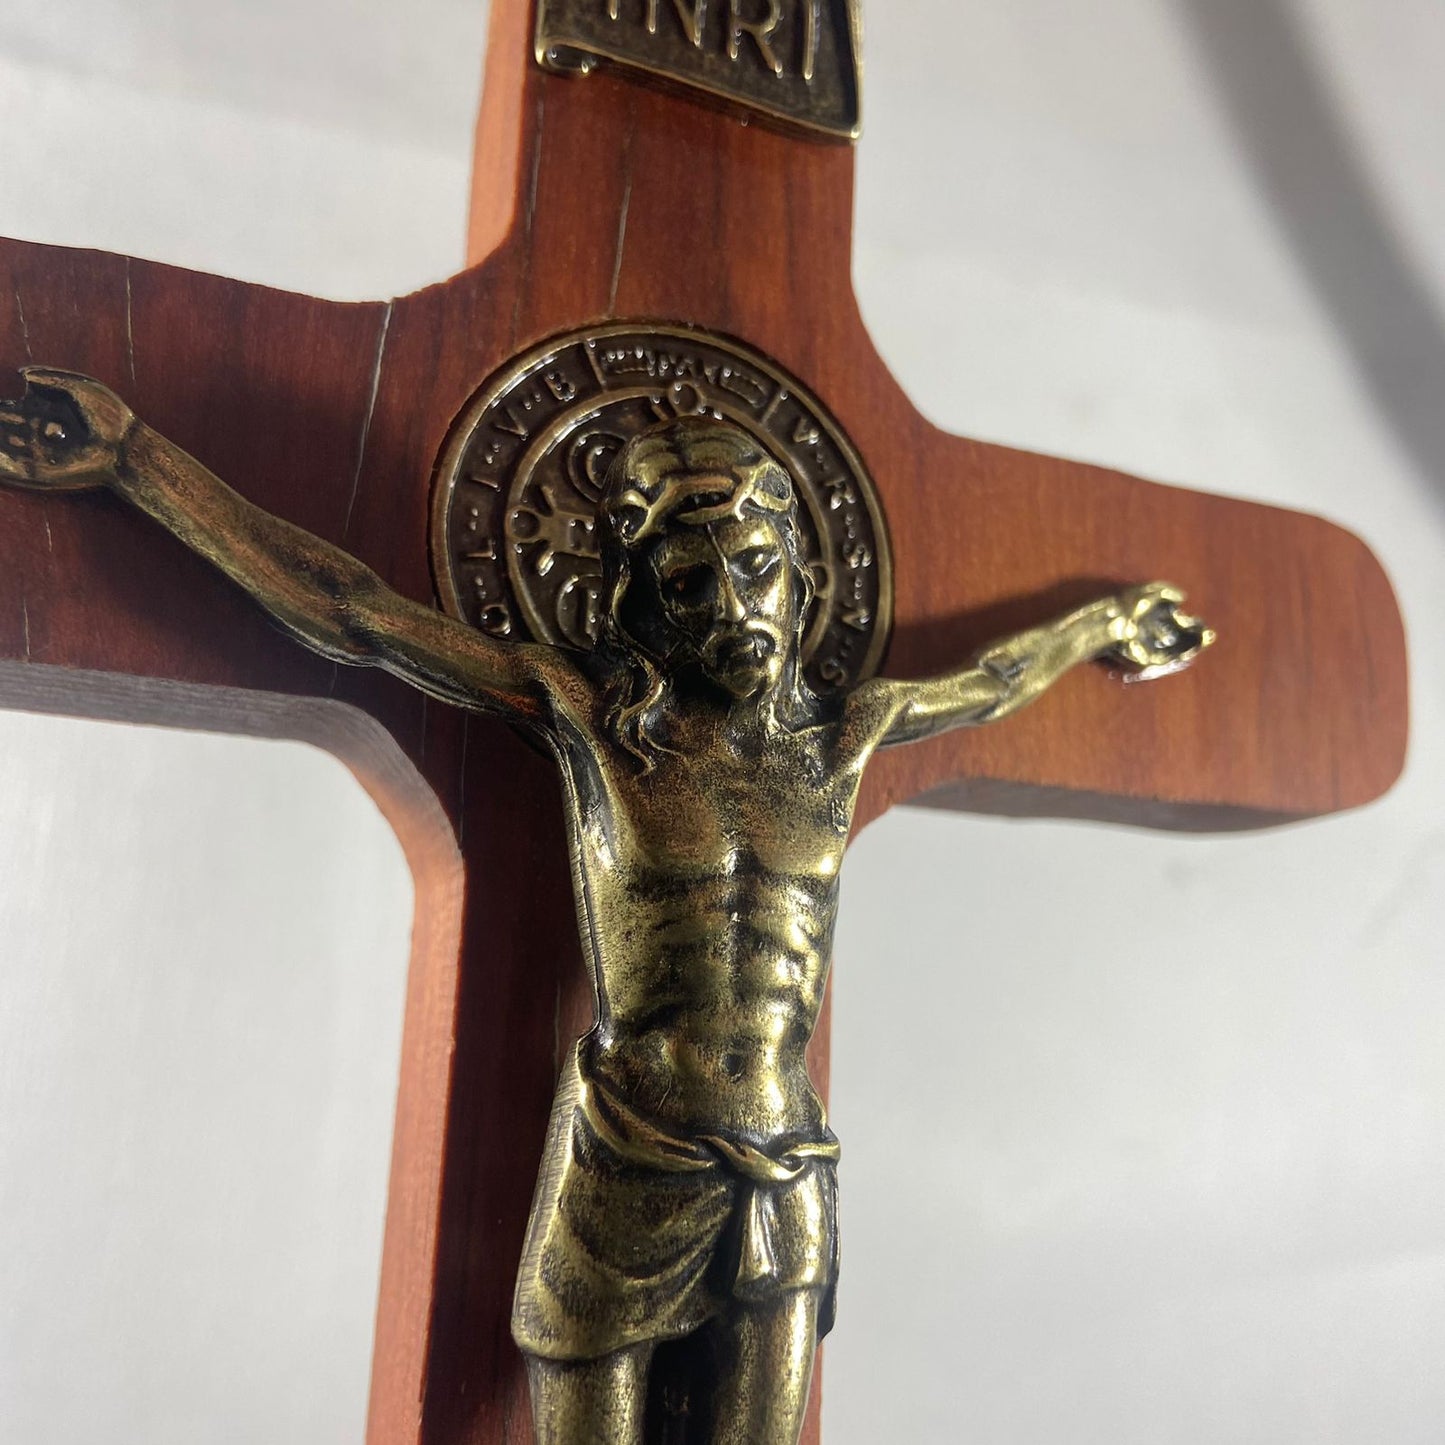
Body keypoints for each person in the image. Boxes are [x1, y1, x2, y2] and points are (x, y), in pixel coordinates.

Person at [0, 369, 1212, 1445]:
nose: (732, 605)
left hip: (785, 1162)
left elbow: (995, 680)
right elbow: (353, 611)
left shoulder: (847, 733)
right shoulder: (590, 720)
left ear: (799, 573)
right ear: (641, 595)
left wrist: (1102, 625)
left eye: (755, 567)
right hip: (629, 1158)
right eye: (689, 580)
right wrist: (137, 462)